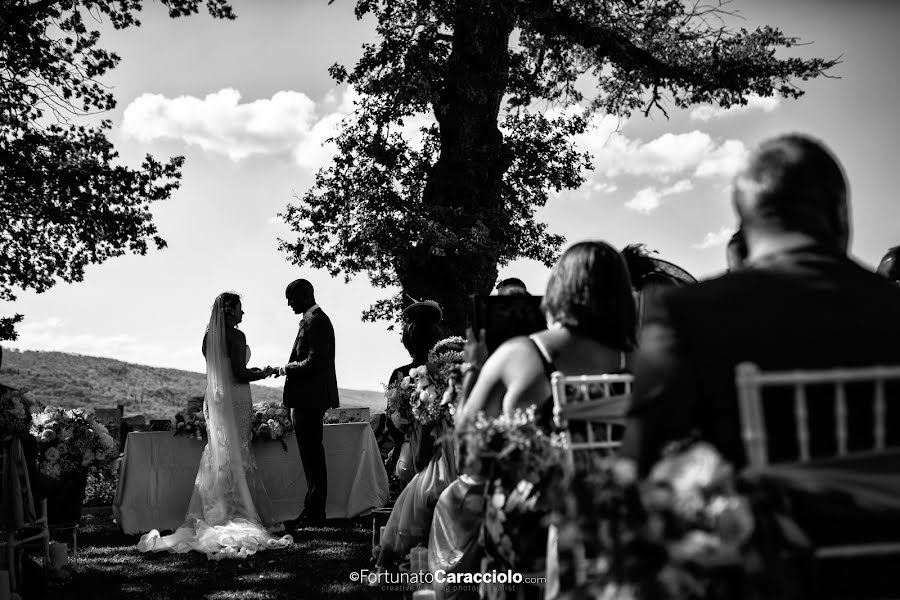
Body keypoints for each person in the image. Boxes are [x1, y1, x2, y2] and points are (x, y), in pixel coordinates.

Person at [623, 134, 900, 474]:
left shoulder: (687, 315)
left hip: (757, 525)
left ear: (746, 223)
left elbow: (639, 468)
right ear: (841, 214)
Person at [430, 241, 637, 599]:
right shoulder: (639, 361)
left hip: (530, 534)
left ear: (558, 290)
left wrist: (475, 369)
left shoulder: (520, 354)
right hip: (618, 522)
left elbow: (467, 445)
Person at [138, 293, 292, 559]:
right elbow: (239, 373)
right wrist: (264, 372)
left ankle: (220, 509)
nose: (243, 314)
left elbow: (220, 370)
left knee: (221, 451)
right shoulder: (237, 335)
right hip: (236, 398)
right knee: (238, 450)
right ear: (230, 311)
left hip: (216, 399)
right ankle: (238, 509)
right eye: (240, 308)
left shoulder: (208, 337)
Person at [277, 279, 339, 526]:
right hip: (306, 399)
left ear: (305, 295)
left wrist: (285, 368)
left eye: (291, 298)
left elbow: (315, 361)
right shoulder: (312, 321)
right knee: (311, 457)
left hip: (309, 400)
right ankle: (313, 510)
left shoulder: (318, 322)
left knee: (313, 456)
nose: (289, 303)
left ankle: (315, 512)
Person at [385, 300, 444, 479]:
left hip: (408, 456)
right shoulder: (447, 372)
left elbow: (391, 421)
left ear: (408, 341)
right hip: (445, 455)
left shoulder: (400, 373)